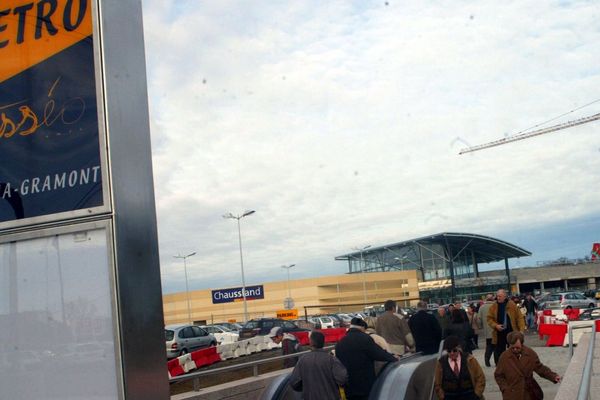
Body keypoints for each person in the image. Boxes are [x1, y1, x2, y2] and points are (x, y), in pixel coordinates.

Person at [335, 317, 398, 400]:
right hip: (365, 386)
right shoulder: (365, 339)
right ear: (362, 328)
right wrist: (393, 357)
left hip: (349, 387)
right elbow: (378, 353)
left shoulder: (340, 343)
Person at [494, 331, 561, 400]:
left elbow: (540, 368)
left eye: (517, 348)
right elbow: (498, 375)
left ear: (522, 344)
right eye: (512, 347)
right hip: (512, 395)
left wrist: (553, 376)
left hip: (528, 393)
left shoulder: (530, 354)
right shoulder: (504, 357)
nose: (515, 350)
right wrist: (505, 389)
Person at [290, 331, 348, 400]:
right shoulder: (331, 359)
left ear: (311, 343)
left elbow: (294, 382)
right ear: (323, 343)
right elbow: (343, 379)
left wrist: (307, 388)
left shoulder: (303, 360)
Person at [434, 335, 485, 400]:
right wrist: (442, 396)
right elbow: (437, 383)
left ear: (459, 348)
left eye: (454, 350)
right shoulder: (441, 363)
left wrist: (477, 394)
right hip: (449, 396)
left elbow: (480, 377)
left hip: (470, 395)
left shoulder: (469, 359)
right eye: (449, 351)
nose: (452, 353)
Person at [486, 289, 525, 365]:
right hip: (499, 333)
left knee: (515, 350)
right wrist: (496, 325)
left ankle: (515, 365)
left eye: (500, 296)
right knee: (498, 352)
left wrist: (521, 329)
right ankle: (500, 367)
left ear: (505, 296)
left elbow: (519, 317)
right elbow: (489, 318)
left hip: (511, 332)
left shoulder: (512, 305)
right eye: (497, 296)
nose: (498, 298)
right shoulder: (494, 306)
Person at [477, 293, 496, 367]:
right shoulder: (495, 306)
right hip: (496, 329)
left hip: (487, 331)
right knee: (496, 346)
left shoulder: (482, 307)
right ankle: (497, 361)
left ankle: (487, 360)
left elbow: (479, 319)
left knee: (489, 346)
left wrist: (482, 326)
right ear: (493, 299)